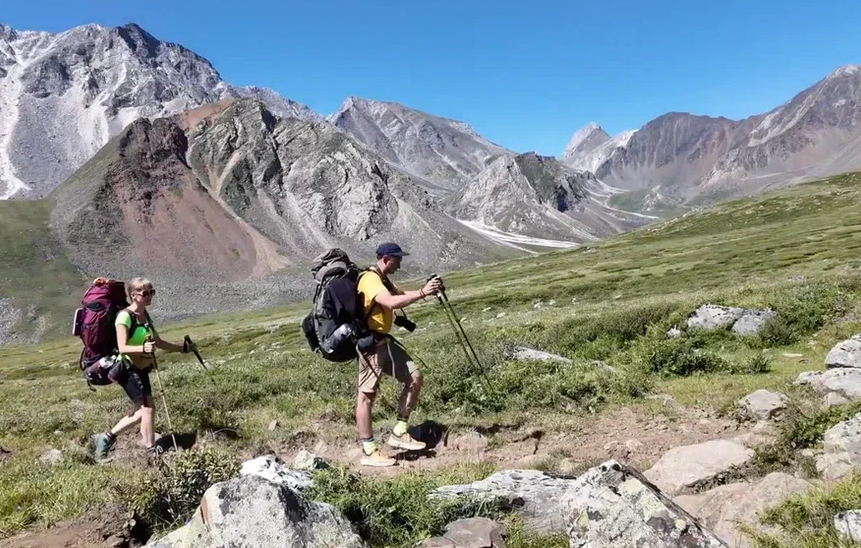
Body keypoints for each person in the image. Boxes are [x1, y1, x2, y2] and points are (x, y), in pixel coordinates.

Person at [355, 243, 442, 467]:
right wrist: (422, 293)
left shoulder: (383, 279)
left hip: (384, 342)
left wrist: (427, 290)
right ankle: (369, 450)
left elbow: (400, 295)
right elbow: (391, 302)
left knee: (414, 376)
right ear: (386, 258)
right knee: (366, 397)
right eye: (397, 259)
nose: (400, 264)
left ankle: (400, 432)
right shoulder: (370, 279)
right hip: (371, 346)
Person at [92, 278, 195, 462]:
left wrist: (182, 349)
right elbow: (122, 347)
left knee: (143, 411)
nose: (150, 296)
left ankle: (106, 438)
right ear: (133, 295)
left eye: (151, 292)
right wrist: (143, 348)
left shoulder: (144, 315)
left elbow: (158, 342)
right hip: (127, 368)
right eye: (145, 293)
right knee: (147, 409)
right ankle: (150, 451)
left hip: (141, 367)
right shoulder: (124, 317)